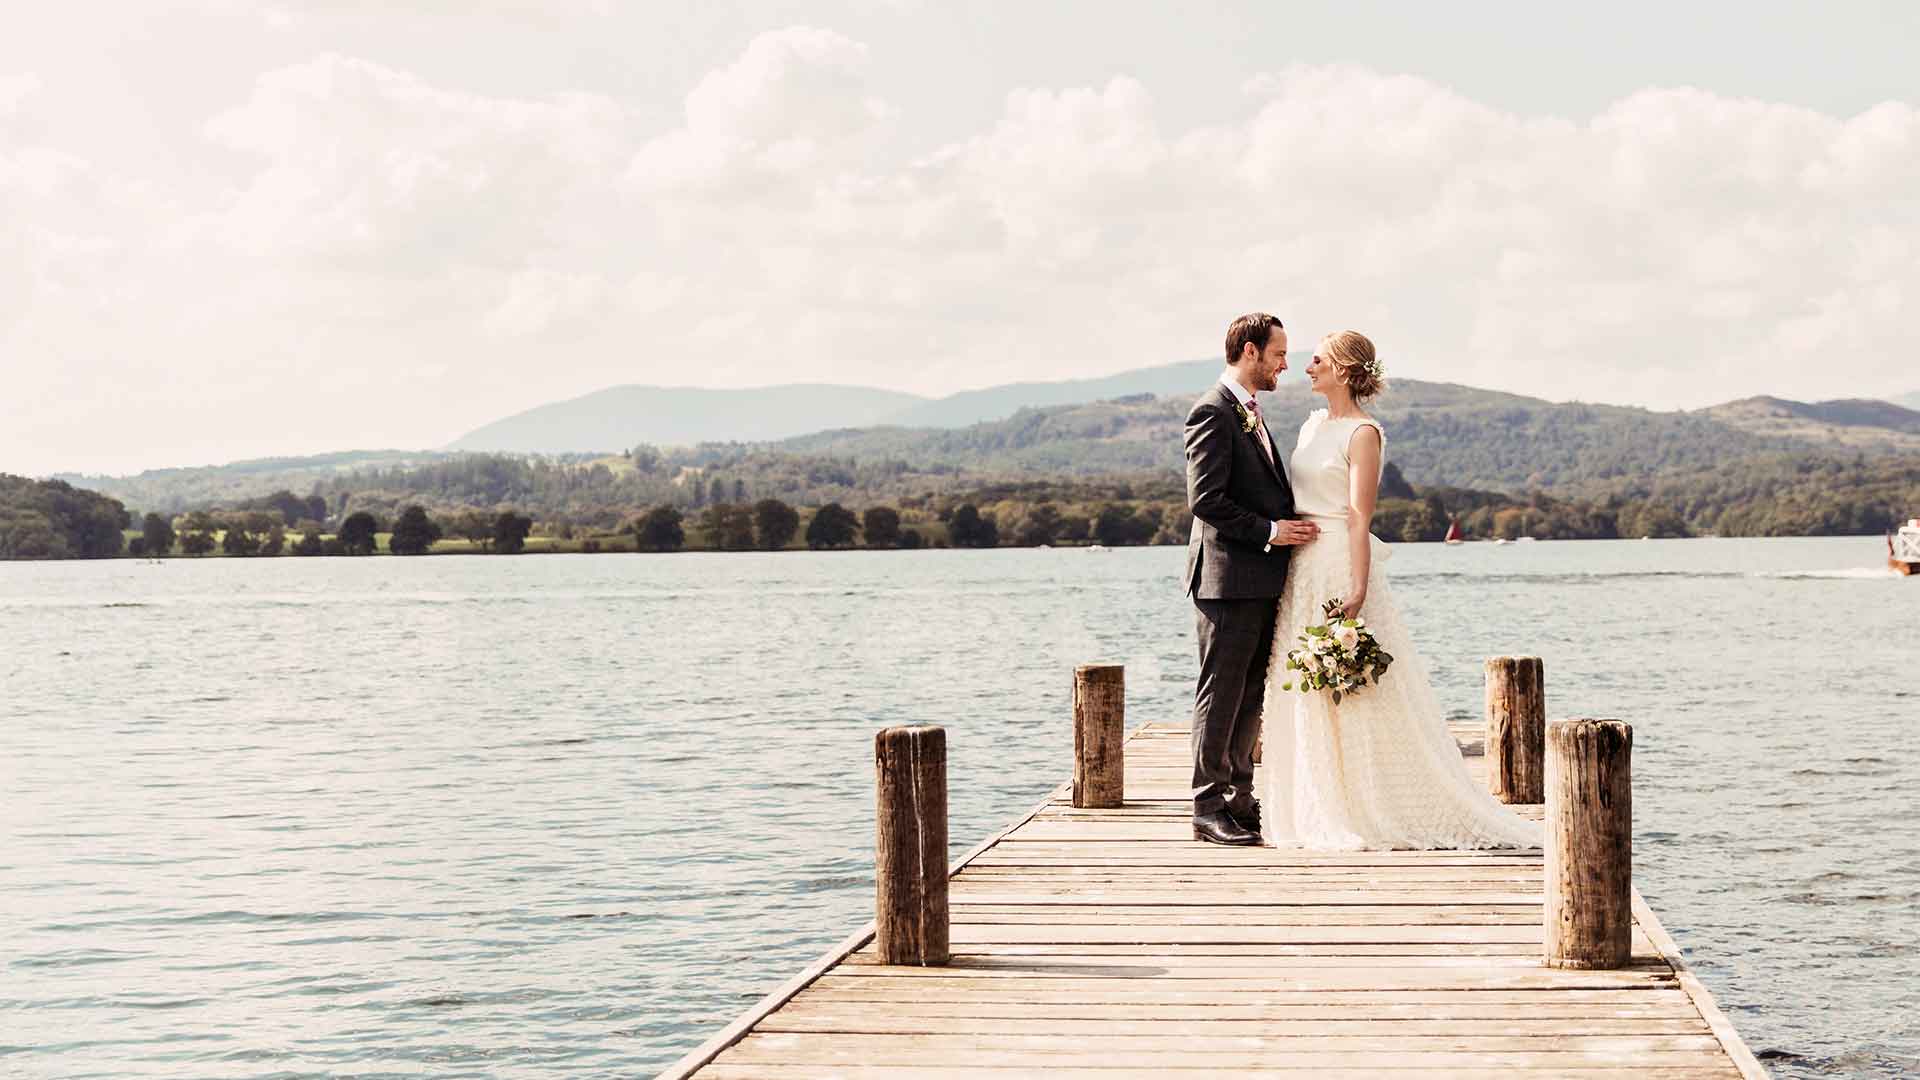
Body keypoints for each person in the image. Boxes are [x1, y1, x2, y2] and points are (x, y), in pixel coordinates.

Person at [1261, 330, 1539, 850]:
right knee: (1303, 684)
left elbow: (1360, 515)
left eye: (1317, 359)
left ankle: (1369, 802)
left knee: (1357, 689)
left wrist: (1359, 586)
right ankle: (1317, 800)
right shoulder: (1311, 424)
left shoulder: (1363, 433)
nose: (1307, 367)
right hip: (1300, 567)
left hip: (1339, 563)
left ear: (1343, 369)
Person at [1182, 313, 1320, 846]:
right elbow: (1207, 501)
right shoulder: (1212, 412)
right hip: (1226, 580)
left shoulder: (1251, 413)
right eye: (1279, 353)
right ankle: (1206, 805)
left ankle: (1240, 798)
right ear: (1248, 351)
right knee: (1220, 694)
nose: (1286, 363)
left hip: (1259, 579)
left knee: (1251, 696)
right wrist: (1270, 531)